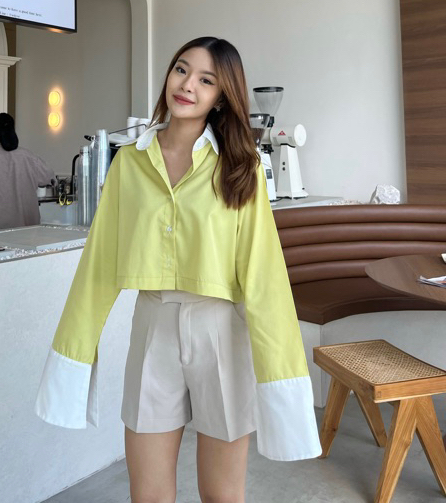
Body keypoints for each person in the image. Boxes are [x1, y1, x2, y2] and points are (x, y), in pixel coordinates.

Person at [35, 37, 321, 503]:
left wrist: (281, 373)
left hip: (222, 331)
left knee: (222, 495)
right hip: (153, 326)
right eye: (181, 70)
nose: (188, 85)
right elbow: (99, 265)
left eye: (206, 80)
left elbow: (264, 276)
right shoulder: (129, 163)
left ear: (221, 96)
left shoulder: (241, 166)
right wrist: (74, 351)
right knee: (148, 494)